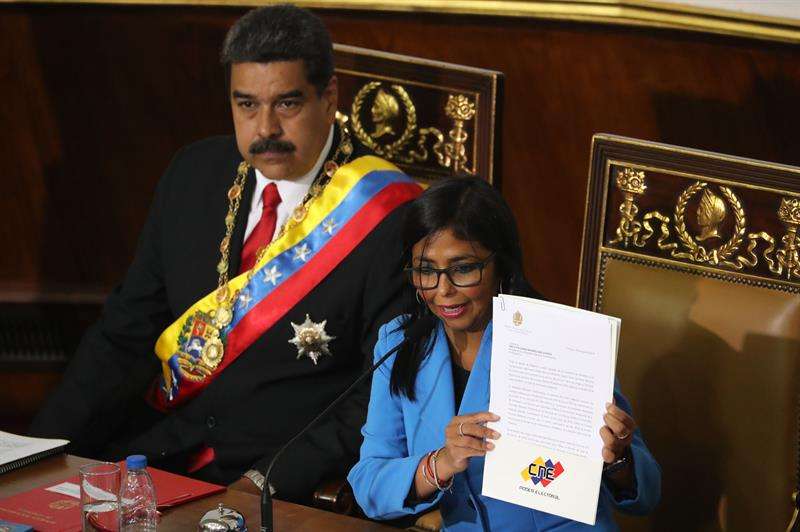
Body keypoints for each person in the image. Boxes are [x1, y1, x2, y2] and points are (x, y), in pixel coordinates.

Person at [29, 4, 421, 503]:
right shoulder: (193, 174)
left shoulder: (391, 216)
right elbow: (123, 334)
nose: (265, 130)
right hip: (154, 454)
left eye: (287, 104)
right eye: (246, 105)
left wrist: (266, 483)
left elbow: (376, 396)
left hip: (274, 482)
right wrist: (38, 452)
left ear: (330, 97)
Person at [348, 178, 661, 530]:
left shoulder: (561, 338)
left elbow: (646, 495)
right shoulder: (400, 342)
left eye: (463, 268)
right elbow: (369, 482)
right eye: (426, 271)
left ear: (500, 264)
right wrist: (441, 463)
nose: (443, 290)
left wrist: (617, 460)